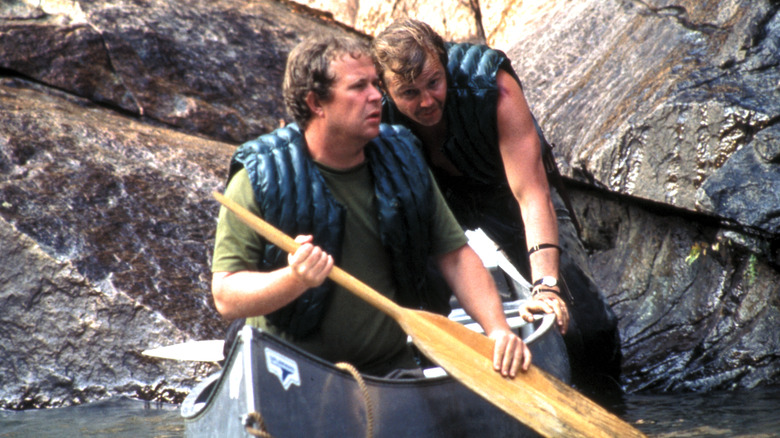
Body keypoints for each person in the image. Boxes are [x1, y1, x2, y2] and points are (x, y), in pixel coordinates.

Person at [210, 34, 550, 378]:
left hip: (389, 371)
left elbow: (456, 257)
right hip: (290, 375)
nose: (376, 95)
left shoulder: (402, 156)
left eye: (376, 83)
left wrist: (498, 331)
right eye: (359, 87)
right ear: (316, 103)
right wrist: (294, 279)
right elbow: (226, 295)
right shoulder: (260, 176)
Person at [371, 19, 622, 395]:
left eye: (434, 83)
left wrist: (547, 287)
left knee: (586, 323)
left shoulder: (493, 85)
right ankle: (429, 390)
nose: (425, 101)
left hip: (505, 191)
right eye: (408, 92)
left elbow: (532, 194)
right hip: (430, 200)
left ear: (444, 63)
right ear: (384, 89)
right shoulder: (371, 111)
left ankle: (610, 400)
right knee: (416, 303)